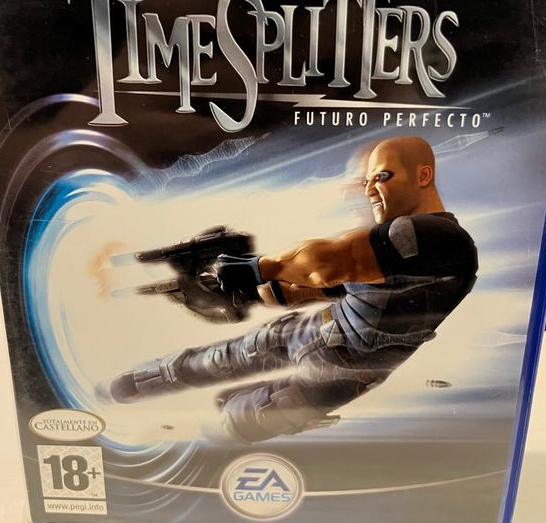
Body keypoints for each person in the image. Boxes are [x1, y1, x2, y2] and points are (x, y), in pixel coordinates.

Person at [102, 135, 478, 443]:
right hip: (319, 335)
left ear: (423, 175)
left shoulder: (436, 236)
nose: (369, 191)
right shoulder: (410, 251)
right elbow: (335, 287)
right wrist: (256, 291)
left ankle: (159, 431)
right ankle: (134, 386)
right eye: (367, 181)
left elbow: (329, 264)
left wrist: (255, 268)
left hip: (340, 372)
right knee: (222, 360)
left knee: (234, 424)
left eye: (381, 177)